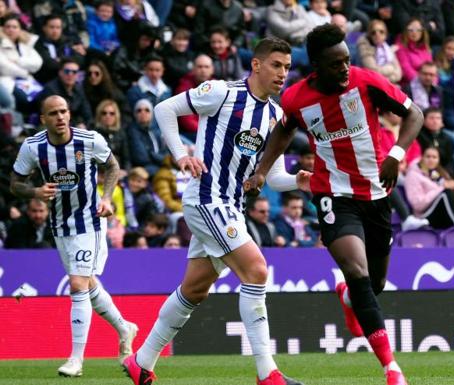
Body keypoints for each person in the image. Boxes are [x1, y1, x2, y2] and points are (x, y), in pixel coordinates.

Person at [122, 37, 307, 385]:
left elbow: (273, 177)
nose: (283, 73)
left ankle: (141, 360)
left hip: (231, 206)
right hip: (206, 199)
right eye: (276, 65)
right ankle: (268, 374)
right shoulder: (222, 92)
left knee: (194, 289)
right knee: (256, 270)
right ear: (256, 64)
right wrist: (181, 155)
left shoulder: (276, 116)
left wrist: (300, 180)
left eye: (286, 67)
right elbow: (164, 110)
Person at [245, 24, 422, 385]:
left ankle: (348, 298)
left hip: (376, 193)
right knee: (355, 270)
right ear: (317, 67)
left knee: (375, 283)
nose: (344, 68)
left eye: (346, 60)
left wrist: (397, 153)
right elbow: (283, 129)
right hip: (333, 195)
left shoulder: (366, 81)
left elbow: (414, 114)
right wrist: (262, 170)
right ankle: (392, 369)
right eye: (335, 64)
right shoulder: (296, 98)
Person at [10, 95, 138, 377]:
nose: (60, 117)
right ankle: (124, 327)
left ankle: (76, 360)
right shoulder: (33, 147)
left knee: (78, 284)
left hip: (89, 221)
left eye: (64, 111)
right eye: (53, 113)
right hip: (59, 225)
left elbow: (113, 166)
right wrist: (34, 192)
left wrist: (105, 198)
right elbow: (15, 184)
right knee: (89, 284)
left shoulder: (89, 140)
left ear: (69, 113)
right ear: (43, 119)